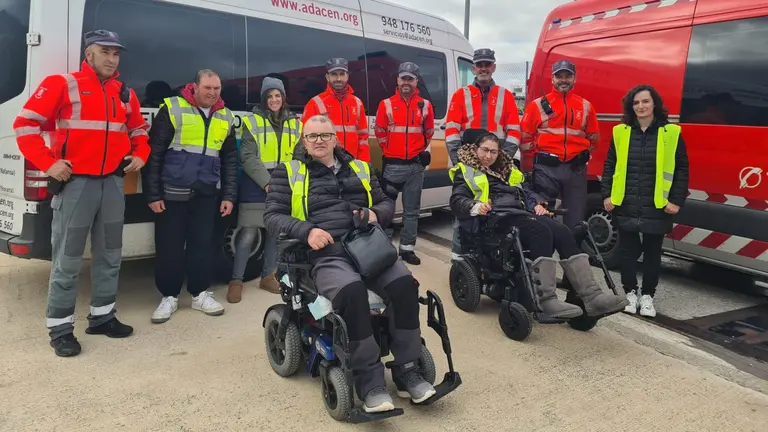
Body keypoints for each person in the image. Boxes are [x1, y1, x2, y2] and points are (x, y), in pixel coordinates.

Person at [264, 114, 436, 413]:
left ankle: (408, 369)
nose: (319, 141)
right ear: (304, 141)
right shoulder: (288, 172)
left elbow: (385, 202)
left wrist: (375, 214)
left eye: (325, 135)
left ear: (335, 138)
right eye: (313, 136)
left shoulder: (360, 167)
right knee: (353, 293)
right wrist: (307, 231)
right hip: (326, 253)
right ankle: (371, 383)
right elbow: (272, 216)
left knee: (405, 285)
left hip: (368, 247)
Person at [13, 29, 150, 357]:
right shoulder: (64, 84)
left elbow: (139, 130)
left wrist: (140, 154)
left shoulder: (124, 92)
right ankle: (60, 329)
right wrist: (48, 163)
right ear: (88, 54)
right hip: (76, 184)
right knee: (68, 259)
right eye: (105, 51)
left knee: (110, 254)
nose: (111, 58)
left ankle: (102, 317)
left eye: (116, 53)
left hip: (113, 183)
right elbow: (25, 126)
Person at [450, 129, 628, 319]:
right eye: (485, 150)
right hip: (493, 219)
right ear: (476, 149)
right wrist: (476, 206)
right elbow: (457, 200)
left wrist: (537, 205)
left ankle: (592, 296)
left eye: (493, 152)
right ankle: (546, 299)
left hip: (520, 213)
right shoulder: (465, 170)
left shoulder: (509, 170)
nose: (488, 156)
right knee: (540, 232)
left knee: (562, 231)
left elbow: (526, 192)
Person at [143, 69, 238, 323]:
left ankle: (199, 294)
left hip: (207, 193)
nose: (212, 93)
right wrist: (153, 194)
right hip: (172, 192)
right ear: (194, 87)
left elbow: (229, 160)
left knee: (202, 246)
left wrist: (229, 196)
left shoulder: (225, 116)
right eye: (207, 88)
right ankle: (169, 297)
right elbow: (154, 155)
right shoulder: (173, 109)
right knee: (169, 247)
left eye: (217, 89)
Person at [601, 84, 689, 318]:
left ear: (655, 104)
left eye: (645, 101)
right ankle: (630, 293)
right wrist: (607, 194)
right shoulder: (621, 132)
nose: (641, 106)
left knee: (652, 253)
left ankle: (648, 296)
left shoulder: (671, 133)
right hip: (627, 201)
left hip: (657, 204)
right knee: (628, 252)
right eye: (636, 102)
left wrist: (676, 199)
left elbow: (681, 168)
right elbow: (610, 165)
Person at [227, 77, 302, 301]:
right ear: (263, 98)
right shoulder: (252, 121)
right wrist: (267, 182)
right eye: (269, 96)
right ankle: (236, 280)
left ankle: (268, 276)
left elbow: (299, 156)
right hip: (256, 184)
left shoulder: (295, 123)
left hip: (283, 184)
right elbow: (248, 156)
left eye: (277, 95)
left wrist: (284, 182)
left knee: (275, 233)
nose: (274, 100)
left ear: (283, 97)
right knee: (248, 232)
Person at [445, 48, 522, 261]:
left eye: (487, 64)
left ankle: (487, 259)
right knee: (464, 208)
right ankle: (459, 261)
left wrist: (501, 159)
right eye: (479, 65)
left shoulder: (506, 95)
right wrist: (459, 160)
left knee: (494, 209)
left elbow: (514, 130)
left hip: (496, 163)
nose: (483, 68)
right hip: (468, 163)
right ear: (473, 68)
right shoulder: (461, 95)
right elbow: (451, 129)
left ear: (494, 67)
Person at [520, 59, 600, 232]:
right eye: (559, 76)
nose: (563, 80)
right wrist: (538, 158)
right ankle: (543, 256)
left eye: (567, 76)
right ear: (552, 79)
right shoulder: (537, 106)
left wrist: (580, 155)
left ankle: (571, 256)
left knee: (575, 219)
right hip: (546, 169)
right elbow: (525, 138)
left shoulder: (585, 106)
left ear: (574, 78)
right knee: (542, 216)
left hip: (575, 170)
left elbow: (594, 138)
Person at [374, 61, 435, 265]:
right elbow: (380, 132)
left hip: (415, 167)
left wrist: (419, 152)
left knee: (412, 211)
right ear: (398, 80)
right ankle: (383, 248)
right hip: (393, 166)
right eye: (403, 78)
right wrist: (391, 150)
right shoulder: (386, 104)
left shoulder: (425, 105)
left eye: (410, 78)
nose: (406, 82)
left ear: (416, 81)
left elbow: (428, 132)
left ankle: (407, 249)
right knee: (386, 210)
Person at [301, 58, 370, 162]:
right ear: (327, 77)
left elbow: (363, 138)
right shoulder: (315, 103)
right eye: (334, 74)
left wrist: (364, 163)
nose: (338, 78)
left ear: (347, 76)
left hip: (352, 164)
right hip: (325, 165)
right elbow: (305, 138)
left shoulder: (357, 103)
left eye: (342, 74)